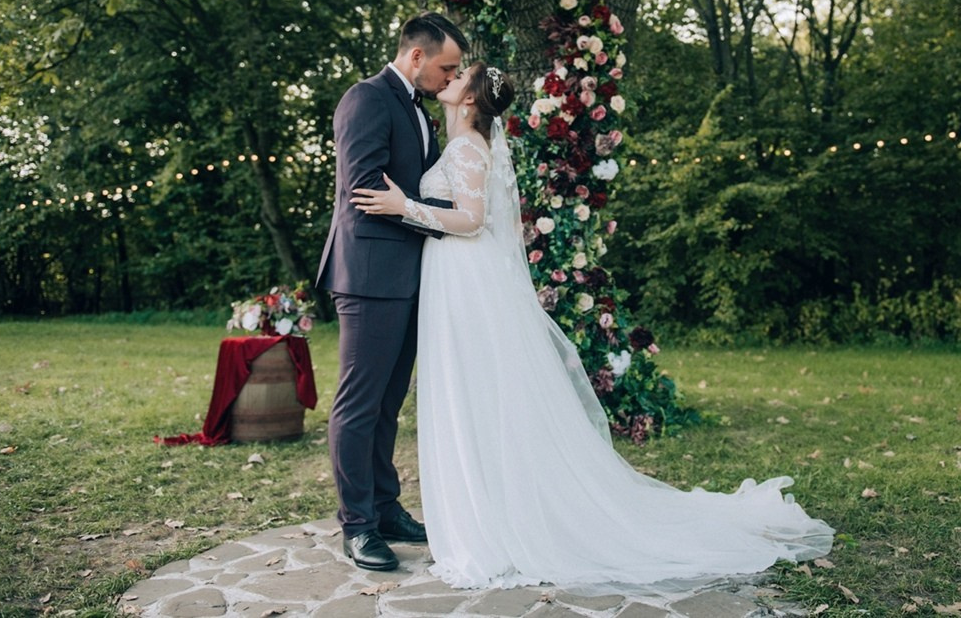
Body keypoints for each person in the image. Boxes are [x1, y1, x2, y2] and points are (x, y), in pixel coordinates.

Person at [351, 62, 835, 589]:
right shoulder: (463, 140)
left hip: (464, 276)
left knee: (474, 391)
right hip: (456, 277)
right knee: (471, 391)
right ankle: (482, 508)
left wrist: (406, 206)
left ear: (469, 101)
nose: (451, 76)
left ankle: (489, 522)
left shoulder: (468, 146)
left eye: (460, 74)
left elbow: (471, 220)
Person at [315, 11, 468, 572]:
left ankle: (385, 507)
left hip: (409, 275)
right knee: (358, 403)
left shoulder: (418, 108)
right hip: (371, 273)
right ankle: (356, 526)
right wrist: (427, 217)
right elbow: (364, 185)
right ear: (416, 57)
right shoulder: (366, 98)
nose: (451, 79)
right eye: (447, 68)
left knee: (388, 402)